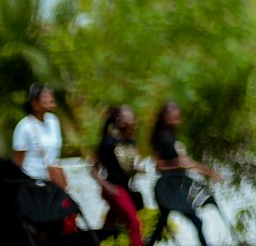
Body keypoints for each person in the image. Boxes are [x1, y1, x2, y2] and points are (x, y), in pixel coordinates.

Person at [144, 103, 221, 246]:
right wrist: (178, 164)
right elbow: (159, 166)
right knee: (196, 221)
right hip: (167, 188)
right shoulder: (161, 138)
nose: (175, 119)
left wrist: (210, 172)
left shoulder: (171, 137)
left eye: (177, 116)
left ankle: (148, 243)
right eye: (171, 116)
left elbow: (188, 162)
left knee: (163, 222)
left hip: (176, 187)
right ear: (164, 117)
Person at [94, 105, 147, 246]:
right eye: (128, 116)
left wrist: (136, 170)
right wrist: (108, 186)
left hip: (125, 188)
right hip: (114, 189)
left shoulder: (130, 141)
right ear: (119, 120)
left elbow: (124, 166)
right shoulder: (108, 142)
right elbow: (93, 169)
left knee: (110, 226)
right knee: (134, 224)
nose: (132, 119)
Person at [12, 82, 68, 190]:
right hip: (33, 185)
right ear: (35, 104)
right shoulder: (24, 127)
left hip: (53, 184)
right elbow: (18, 163)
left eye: (51, 95)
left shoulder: (53, 121)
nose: (51, 98)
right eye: (45, 96)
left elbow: (55, 156)